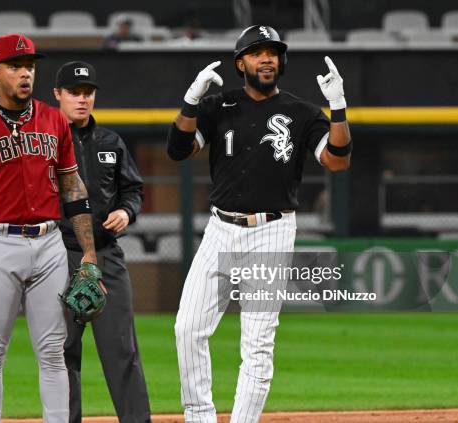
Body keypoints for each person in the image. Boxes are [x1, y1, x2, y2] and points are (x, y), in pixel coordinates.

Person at [167, 25, 352, 422]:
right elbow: (178, 150)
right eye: (256, 52)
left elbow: (337, 160)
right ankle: (199, 416)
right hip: (221, 228)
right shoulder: (219, 106)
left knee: (257, 343)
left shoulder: (303, 113)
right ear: (240, 63)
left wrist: (338, 107)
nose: (266, 58)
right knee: (188, 329)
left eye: (272, 52)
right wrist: (190, 101)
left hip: (273, 228)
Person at [0, 34, 97, 423]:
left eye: (29, 66)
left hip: (49, 244)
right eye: (15, 66)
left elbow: (73, 188)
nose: (25, 73)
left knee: (53, 351)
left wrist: (89, 253)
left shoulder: (54, 119)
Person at [53, 61, 151, 423]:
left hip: (107, 256)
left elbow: (133, 189)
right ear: (58, 96)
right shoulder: (44, 141)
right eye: (74, 93)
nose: (82, 99)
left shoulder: (111, 142)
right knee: (62, 352)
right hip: (58, 256)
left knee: (122, 350)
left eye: (88, 93)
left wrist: (127, 211)